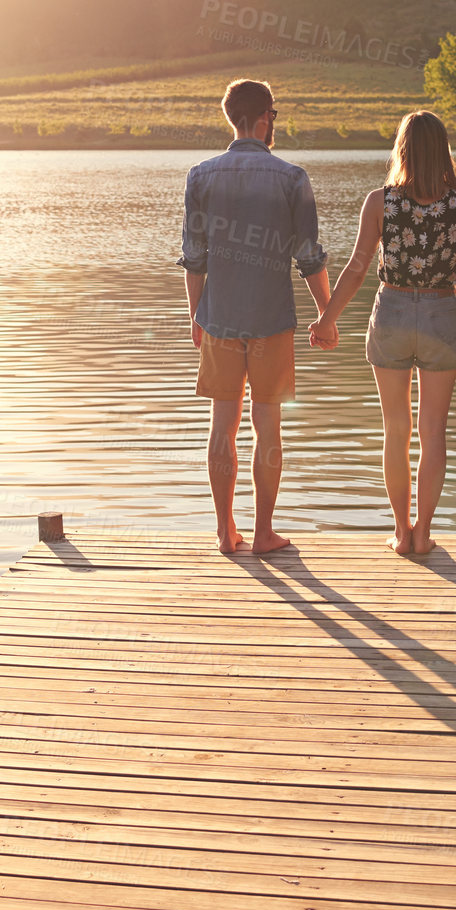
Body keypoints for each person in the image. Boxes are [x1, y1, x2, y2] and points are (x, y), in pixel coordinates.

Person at [309, 111, 456, 555]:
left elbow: (358, 268)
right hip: (443, 314)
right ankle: (424, 533)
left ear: (401, 149)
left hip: (393, 313)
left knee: (395, 429)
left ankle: (401, 534)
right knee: (433, 432)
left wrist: (328, 318)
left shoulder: (380, 202)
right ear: (443, 151)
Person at [178, 79, 330, 555]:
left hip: (219, 315)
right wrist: (327, 312)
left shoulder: (201, 176)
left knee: (221, 422)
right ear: (264, 118)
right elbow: (309, 256)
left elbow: (194, 255)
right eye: (274, 117)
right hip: (271, 320)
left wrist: (195, 314)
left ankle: (226, 533)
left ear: (232, 118)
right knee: (268, 424)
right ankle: (264, 534)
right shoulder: (291, 178)